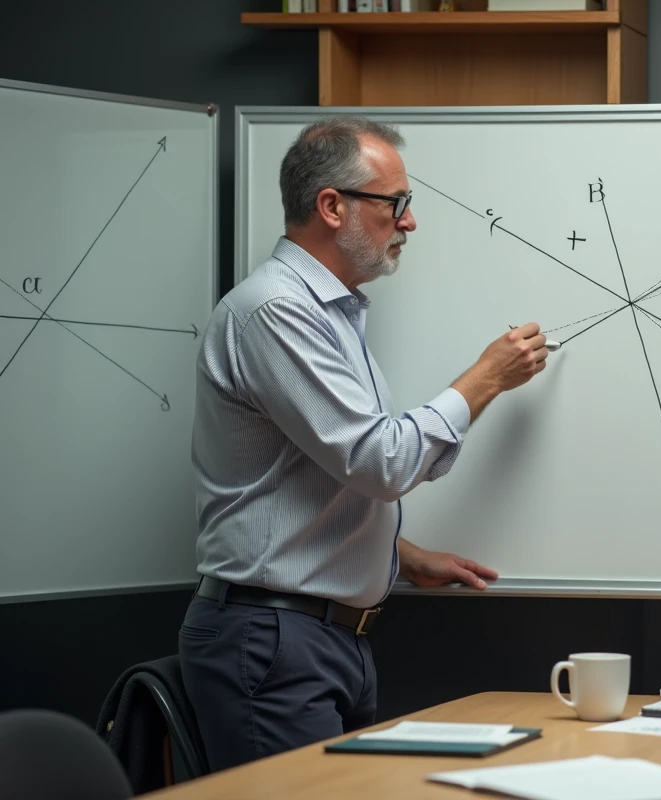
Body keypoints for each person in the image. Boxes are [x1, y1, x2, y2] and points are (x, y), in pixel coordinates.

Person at [179, 115, 551, 770]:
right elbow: (381, 460)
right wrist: (485, 378)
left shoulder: (329, 313)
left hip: (322, 639)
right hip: (275, 640)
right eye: (396, 204)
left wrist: (395, 554)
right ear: (331, 206)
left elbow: (307, 475)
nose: (408, 223)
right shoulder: (276, 312)